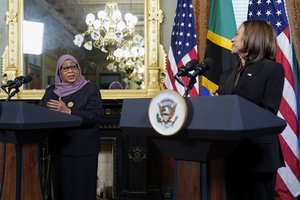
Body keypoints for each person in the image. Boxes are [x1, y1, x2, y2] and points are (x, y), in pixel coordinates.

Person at [217, 20, 285, 200]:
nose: (232, 39)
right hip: (230, 154)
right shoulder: (226, 75)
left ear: (253, 39)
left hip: (259, 156)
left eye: (237, 35)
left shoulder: (272, 69)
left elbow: (268, 111)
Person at [39, 54, 102, 200]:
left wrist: (68, 111)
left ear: (78, 69)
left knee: (82, 192)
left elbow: (94, 116)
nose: (71, 71)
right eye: (65, 68)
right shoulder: (51, 91)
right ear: (59, 72)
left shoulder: (90, 88)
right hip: (59, 149)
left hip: (83, 150)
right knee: (62, 192)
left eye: (74, 67)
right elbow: (40, 111)